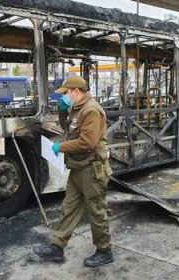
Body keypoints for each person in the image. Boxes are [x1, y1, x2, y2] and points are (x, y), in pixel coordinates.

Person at [34, 76, 114, 267]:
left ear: (76, 92)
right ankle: (57, 247)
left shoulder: (92, 110)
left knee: (96, 211)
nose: (65, 96)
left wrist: (59, 148)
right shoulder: (78, 109)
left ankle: (105, 251)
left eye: (66, 93)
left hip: (92, 170)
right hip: (79, 169)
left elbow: (88, 142)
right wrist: (62, 110)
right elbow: (67, 129)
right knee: (68, 208)